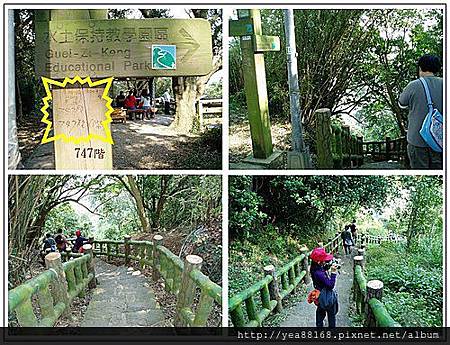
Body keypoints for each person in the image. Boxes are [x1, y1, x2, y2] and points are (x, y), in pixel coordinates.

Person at [398, 54, 443, 169]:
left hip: (417, 139)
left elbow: (401, 104)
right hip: (441, 140)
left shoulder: (413, 85)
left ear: (420, 68)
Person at [309, 247, 339, 328]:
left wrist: (327, 267)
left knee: (320, 312)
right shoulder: (319, 273)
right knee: (331, 314)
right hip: (326, 295)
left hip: (319, 294)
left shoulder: (314, 268)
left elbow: (321, 270)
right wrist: (333, 273)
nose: (325, 261)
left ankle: (319, 329)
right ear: (319, 261)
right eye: (324, 260)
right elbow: (330, 285)